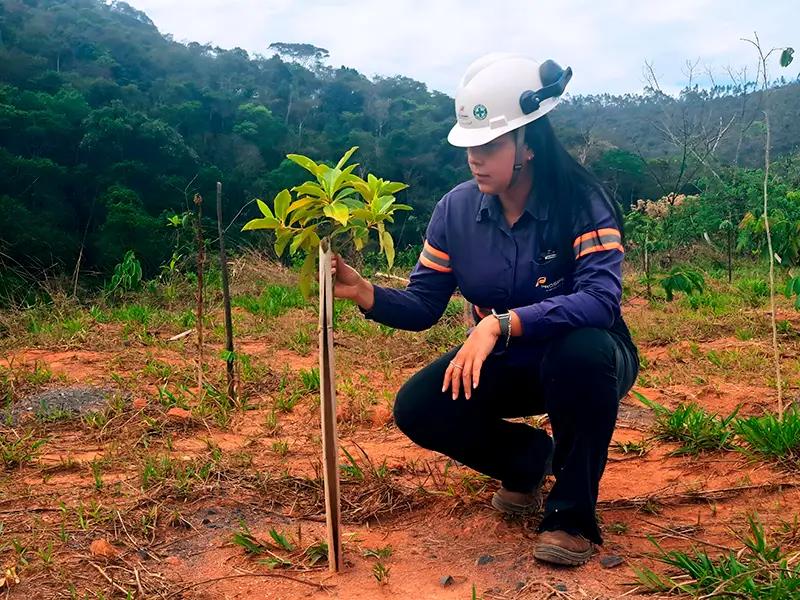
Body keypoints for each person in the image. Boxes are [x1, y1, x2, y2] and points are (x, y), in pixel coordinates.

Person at [332, 52, 639, 567]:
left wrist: (501, 324)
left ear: (529, 144)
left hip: (590, 359)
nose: (476, 158)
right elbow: (425, 303)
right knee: (419, 407)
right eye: (470, 146)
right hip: (509, 362)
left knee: (579, 353)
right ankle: (528, 462)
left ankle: (571, 516)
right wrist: (365, 291)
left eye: (490, 144)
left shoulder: (582, 201)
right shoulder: (455, 210)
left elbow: (600, 300)